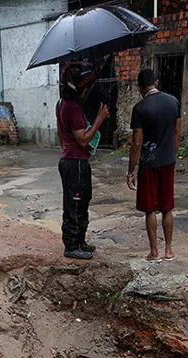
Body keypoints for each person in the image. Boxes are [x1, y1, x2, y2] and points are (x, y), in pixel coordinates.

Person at [127, 68, 182, 261]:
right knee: (167, 207)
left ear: (140, 86)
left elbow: (136, 143)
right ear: (156, 82)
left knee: (150, 208)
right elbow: (177, 133)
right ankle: (168, 251)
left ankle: (154, 252)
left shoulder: (140, 108)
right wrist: (172, 155)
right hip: (168, 162)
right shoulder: (173, 102)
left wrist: (130, 171)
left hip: (149, 165)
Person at [56, 62, 109, 260]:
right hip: (75, 163)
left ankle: (79, 241)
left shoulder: (61, 104)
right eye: (85, 86)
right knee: (75, 203)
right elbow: (83, 139)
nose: (87, 90)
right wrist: (99, 119)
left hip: (71, 160)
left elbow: (62, 134)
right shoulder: (72, 108)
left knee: (82, 201)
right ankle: (71, 245)